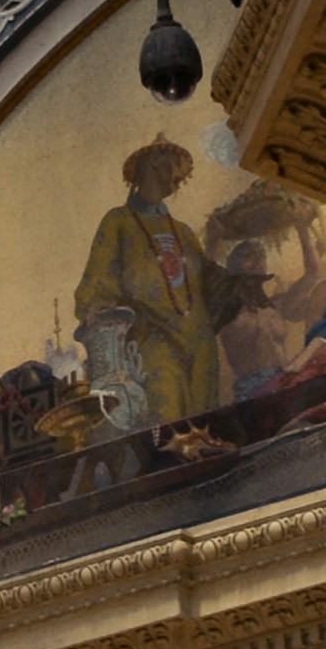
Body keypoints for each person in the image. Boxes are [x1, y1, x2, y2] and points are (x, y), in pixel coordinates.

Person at [71, 136, 230, 431]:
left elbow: (206, 282)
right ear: (155, 160)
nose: (179, 177)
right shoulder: (118, 221)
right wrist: (96, 303)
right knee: (166, 415)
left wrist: (216, 240)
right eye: (174, 166)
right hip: (151, 336)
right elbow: (99, 276)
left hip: (198, 339)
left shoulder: (182, 231)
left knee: (204, 423)